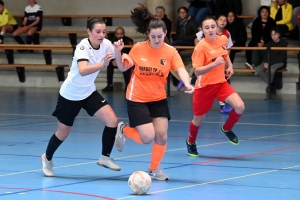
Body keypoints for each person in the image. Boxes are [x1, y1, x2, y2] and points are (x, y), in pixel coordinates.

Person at [41, 17, 132, 176]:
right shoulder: (82, 47)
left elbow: (118, 64)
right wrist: (102, 64)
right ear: (89, 31)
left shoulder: (107, 45)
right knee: (63, 133)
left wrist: (119, 52)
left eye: (104, 31)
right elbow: (83, 70)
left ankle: (105, 157)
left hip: (88, 92)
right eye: (98, 31)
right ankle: (47, 158)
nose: (102, 35)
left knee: (112, 121)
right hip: (70, 95)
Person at [113, 3, 194, 180]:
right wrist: (118, 54)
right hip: (137, 98)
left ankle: (154, 169)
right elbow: (122, 67)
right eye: (153, 36)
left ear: (165, 34)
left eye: (160, 36)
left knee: (162, 136)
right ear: (148, 35)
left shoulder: (171, 51)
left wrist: (187, 83)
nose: (157, 40)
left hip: (158, 98)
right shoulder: (138, 48)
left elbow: (180, 69)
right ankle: (123, 129)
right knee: (147, 137)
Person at [186, 16, 245, 157]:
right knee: (198, 119)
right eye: (207, 28)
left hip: (220, 83)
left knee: (240, 106)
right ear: (202, 30)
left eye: (213, 26)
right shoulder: (200, 48)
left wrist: (229, 65)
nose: (210, 30)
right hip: (204, 87)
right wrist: (214, 64)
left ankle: (226, 128)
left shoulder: (222, 39)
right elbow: (197, 71)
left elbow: (224, 53)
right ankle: (191, 141)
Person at [178, 14, 234, 114]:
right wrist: (201, 50)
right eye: (221, 19)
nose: (222, 22)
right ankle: (188, 80)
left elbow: (225, 50)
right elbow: (196, 39)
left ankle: (223, 106)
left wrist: (229, 65)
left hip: (219, 65)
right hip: (207, 64)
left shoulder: (225, 35)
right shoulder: (202, 41)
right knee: (206, 78)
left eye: (224, 20)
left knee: (222, 82)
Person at [256, 26, 287, 94]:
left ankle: (271, 84)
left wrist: (270, 63)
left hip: (279, 62)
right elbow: (266, 55)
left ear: (279, 34)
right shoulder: (270, 43)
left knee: (272, 69)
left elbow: (281, 57)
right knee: (258, 69)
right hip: (269, 61)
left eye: (275, 34)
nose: (273, 36)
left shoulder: (283, 43)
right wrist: (266, 62)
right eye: (272, 34)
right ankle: (271, 83)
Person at [102, 27, 133, 92]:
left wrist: (120, 59)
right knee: (109, 64)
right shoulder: (111, 41)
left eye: (121, 34)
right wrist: (113, 60)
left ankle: (128, 86)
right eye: (118, 34)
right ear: (115, 34)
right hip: (114, 61)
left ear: (124, 34)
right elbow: (109, 53)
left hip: (125, 60)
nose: (119, 35)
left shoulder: (129, 41)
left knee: (128, 65)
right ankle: (109, 85)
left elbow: (131, 53)